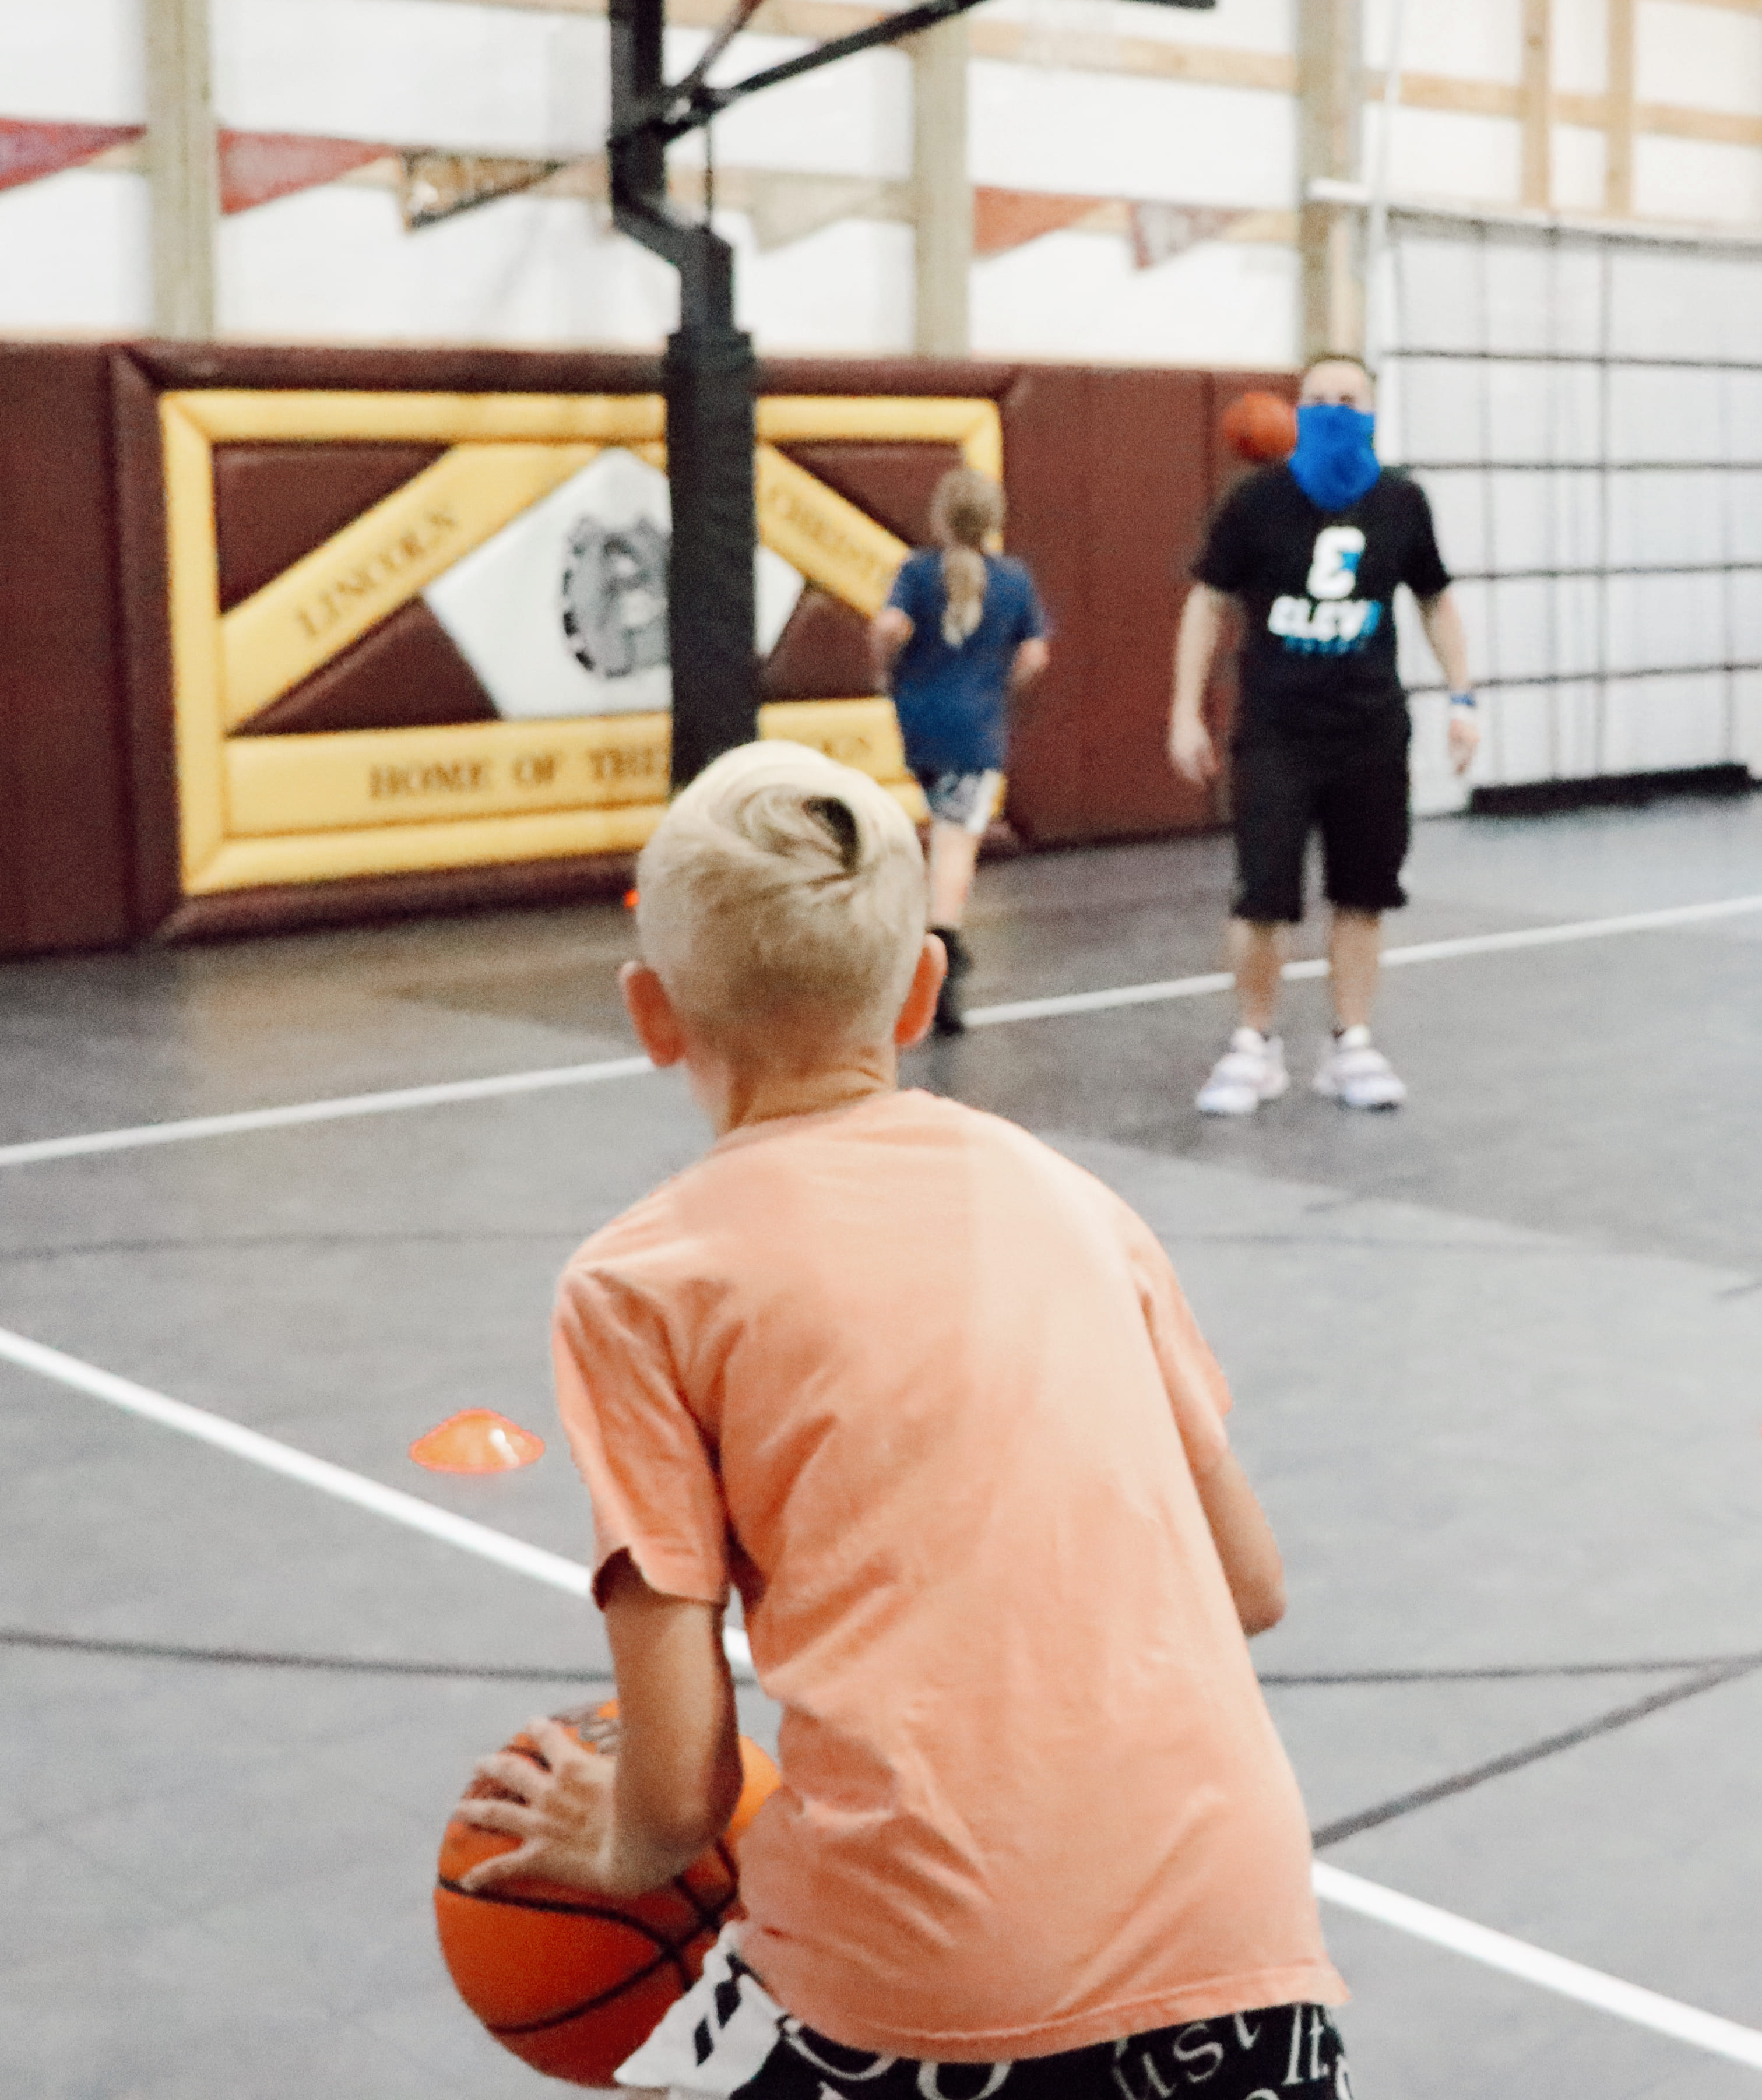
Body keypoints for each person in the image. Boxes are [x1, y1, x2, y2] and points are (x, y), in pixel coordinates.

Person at [449, 741, 1348, 2100]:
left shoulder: (638, 1284)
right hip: (1245, 1942)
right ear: (921, 987)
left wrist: (616, 1847)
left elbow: (682, 1785)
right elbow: (1252, 1584)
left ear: (650, 1013)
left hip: (918, 1980)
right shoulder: (1074, 1199)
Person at [1169, 353, 1478, 1116]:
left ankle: (1353, 1043)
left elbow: (1437, 601)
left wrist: (1463, 697)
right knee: (1263, 896)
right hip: (1277, 727)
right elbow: (1207, 603)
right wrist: (1184, 710)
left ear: (1372, 410)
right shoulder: (1255, 504)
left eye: (1349, 398)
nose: (1334, 409)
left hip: (1370, 727)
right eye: (1319, 398)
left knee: (1363, 894)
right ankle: (1254, 1044)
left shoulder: (1403, 502)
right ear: (1296, 410)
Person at [870, 466, 1050, 1036]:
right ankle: (942, 941)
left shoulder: (918, 571)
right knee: (955, 840)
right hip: (974, 728)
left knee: (939, 824)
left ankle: (933, 942)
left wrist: (884, 671)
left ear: (941, 518)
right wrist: (1001, 685)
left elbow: (889, 625)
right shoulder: (1013, 580)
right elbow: (1035, 656)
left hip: (919, 721)